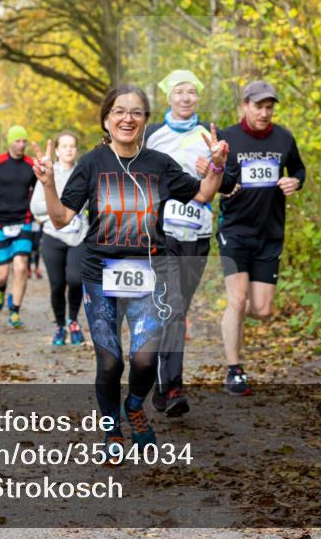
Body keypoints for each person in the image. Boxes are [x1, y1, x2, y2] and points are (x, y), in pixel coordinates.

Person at [30, 85, 228, 459]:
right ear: (106, 118)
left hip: (149, 270)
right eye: (120, 111)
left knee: (144, 359)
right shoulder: (92, 164)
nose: (128, 118)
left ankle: (134, 406)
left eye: (136, 112)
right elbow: (60, 218)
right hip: (100, 271)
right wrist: (48, 183)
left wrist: (216, 164)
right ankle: (110, 430)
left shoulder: (160, 164)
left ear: (145, 121)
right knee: (110, 359)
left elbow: (203, 194)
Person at [215, 80, 305, 396]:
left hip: (270, 233)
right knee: (237, 300)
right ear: (245, 106)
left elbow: (298, 170)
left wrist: (295, 182)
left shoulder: (284, 137)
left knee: (262, 310)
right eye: (258, 106)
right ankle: (234, 369)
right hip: (235, 230)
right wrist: (226, 183)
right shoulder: (227, 137)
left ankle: (232, 320)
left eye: (269, 107)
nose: (264, 113)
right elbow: (216, 177)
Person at [143, 69, 213, 417]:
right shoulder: (153, 136)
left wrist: (214, 168)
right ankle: (172, 387)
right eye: (179, 92)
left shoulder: (209, 134)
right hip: (163, 234)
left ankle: (160, 384)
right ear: (168, 98)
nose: (186, 98)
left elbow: (228, 184)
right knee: (173, 308)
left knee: (177, 310)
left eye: (192, 92)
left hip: (198, 235)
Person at [30, 130, 87, 346]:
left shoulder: (83, 173)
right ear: (56, 150)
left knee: (75, 279)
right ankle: (60, 325)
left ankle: (73, 320)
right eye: (64, 146)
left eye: (72, 146)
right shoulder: (48, 173)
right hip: (53, 237)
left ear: (76, 150)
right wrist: (58, 204)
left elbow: (93, 203)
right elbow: (35, 207)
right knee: (57, 284)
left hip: (78, 236)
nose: (69, 150)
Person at [0, 125, 38, 328]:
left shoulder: (30, 165)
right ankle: (0, 290)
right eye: (17, 141)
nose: (21, 145)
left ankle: (15, 310)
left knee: (21, 266)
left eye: (24, 141)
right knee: (1, 274)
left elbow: (42, 187)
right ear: (10, 142)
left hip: (24, 220)